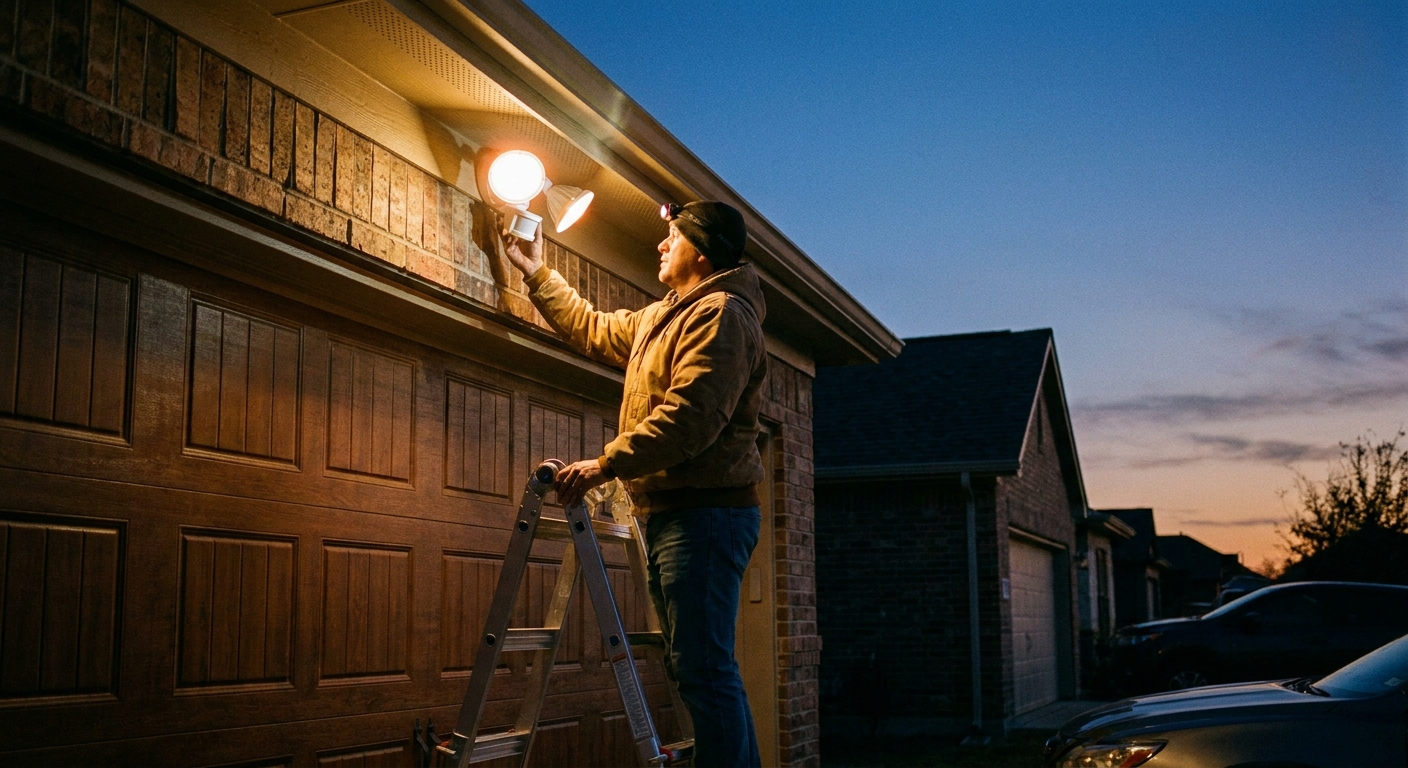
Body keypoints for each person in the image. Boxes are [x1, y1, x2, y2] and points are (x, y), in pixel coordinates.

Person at [500, 201, 767, 768]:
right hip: (679, 514)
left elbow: (690, 418)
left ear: (700, 249)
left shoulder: (720, 315)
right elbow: (595, 328)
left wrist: (605, 464)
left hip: (707, 516)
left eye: (671, 237)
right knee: (696, 665)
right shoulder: (665, 316)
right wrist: (534, 271)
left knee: (705, 667)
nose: (660, 245)